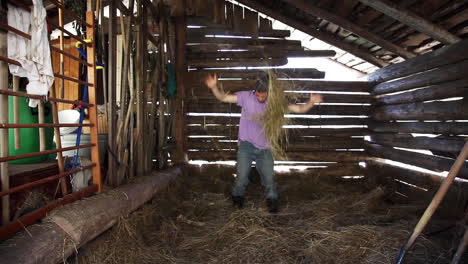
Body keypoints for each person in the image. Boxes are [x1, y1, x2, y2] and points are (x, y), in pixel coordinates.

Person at [204, 73, 323, 213]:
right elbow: (223, 97)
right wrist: (214, 87)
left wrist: (311, 102)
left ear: (269, 92)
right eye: (258, 95)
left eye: (264, 96)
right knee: (241, 176)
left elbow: (299, 109)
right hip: (246, 144)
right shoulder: (246, 97)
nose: (260, 98)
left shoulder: (276, 102)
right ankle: (237, 198)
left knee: (269, 178)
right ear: (255, 91)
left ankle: (272, 201)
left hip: (265, 147)